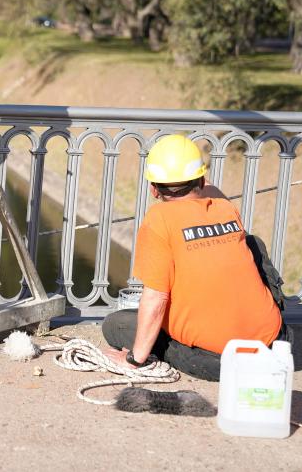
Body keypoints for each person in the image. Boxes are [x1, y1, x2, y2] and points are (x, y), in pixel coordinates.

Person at [102, 134, 290, 381]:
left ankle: (150, 351)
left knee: (116, 325)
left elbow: (156, 297)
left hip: (220, 360)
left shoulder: (159, 220)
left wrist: (133, 360)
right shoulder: (225, 208)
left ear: (153, 189)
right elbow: (208, 189)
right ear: (201, 179)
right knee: (252, 242)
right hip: (275, 341)